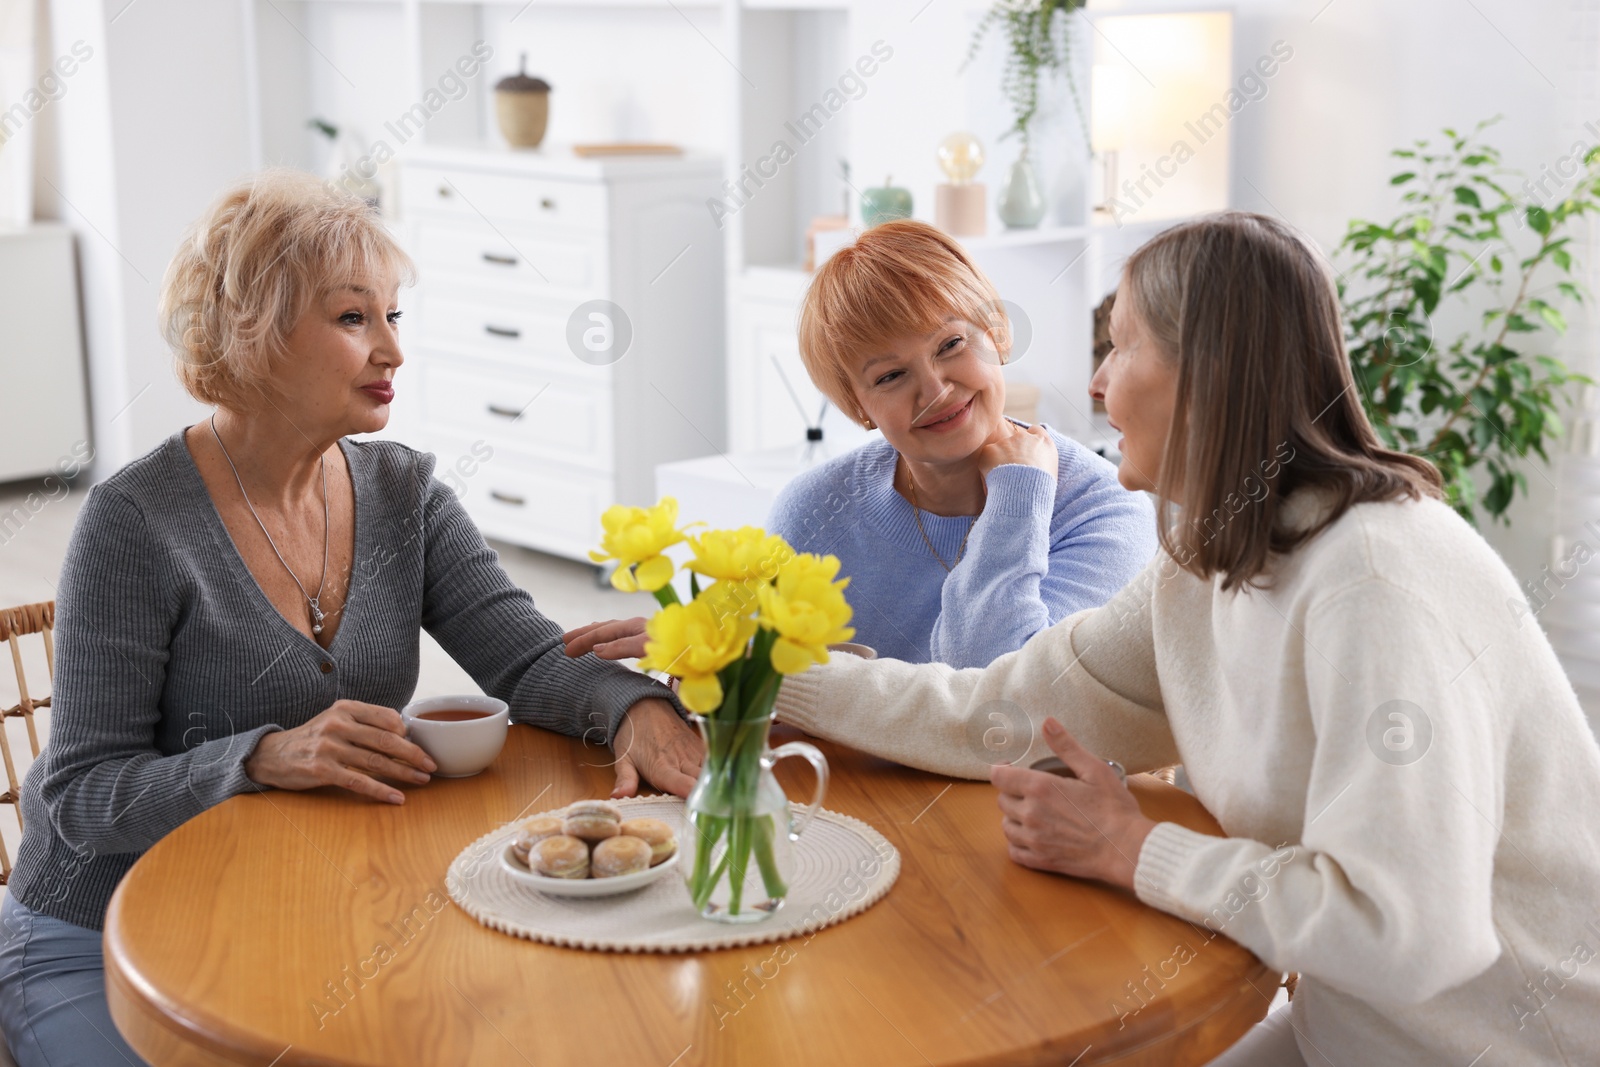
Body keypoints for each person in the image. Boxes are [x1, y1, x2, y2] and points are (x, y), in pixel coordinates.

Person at [760, 212, 1600, 1064]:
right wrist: (764, 671)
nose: (1095, 385)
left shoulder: (1375, 577)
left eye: (1120, 348)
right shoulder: (1211, 561)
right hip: (1350, 1032)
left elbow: (1407, 934)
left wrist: (1133, 848)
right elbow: (1001, 706)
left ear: (1208, 370)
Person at [0, 170, 701, 1067]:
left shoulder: (405, 492)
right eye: (351, 318)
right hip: (93, 939)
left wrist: (635, 704)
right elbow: (81, 796)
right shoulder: (136, 522)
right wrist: (261, 755)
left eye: (393, 317)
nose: (392, 351)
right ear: (249, 335)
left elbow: (530, 662)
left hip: (289, 916)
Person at [565, 220, 1156, 669]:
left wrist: (1017, 499)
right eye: (890, 376)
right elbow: (747, 670)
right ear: (857, 408)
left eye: (951, 344)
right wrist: (707, 644)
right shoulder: (816, 510)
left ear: (996, 332)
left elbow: (994, 697)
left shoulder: (1105, 513)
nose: (935, 388)